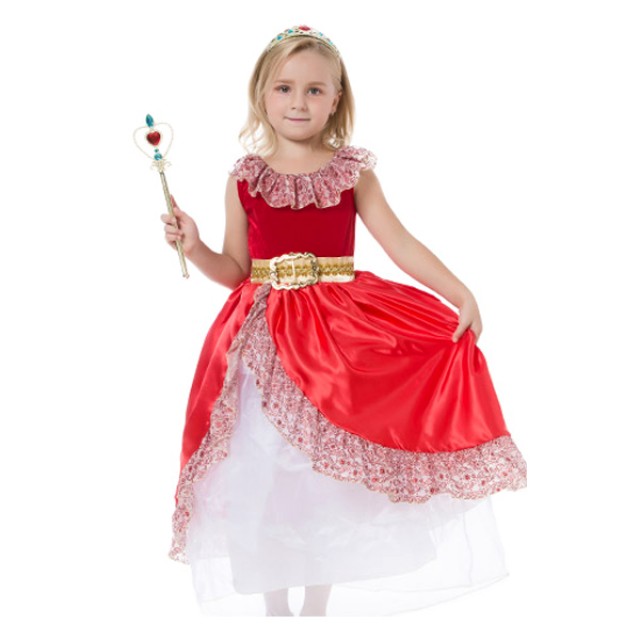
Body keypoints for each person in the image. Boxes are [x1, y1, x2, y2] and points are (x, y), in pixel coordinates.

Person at [160, 24, 527, 617]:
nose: (298, 102)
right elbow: (236, 271)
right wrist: (195, 246)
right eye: (284, 88)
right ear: (261, 95)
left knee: (320, 477)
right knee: (267, 467)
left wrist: (459, 291)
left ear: (336, 99)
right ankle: (275, 608)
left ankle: (316, 608)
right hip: (265, 343)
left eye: (314, 90)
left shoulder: (352, 172)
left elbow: (399, 242)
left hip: (336, 340)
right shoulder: (245, 178)